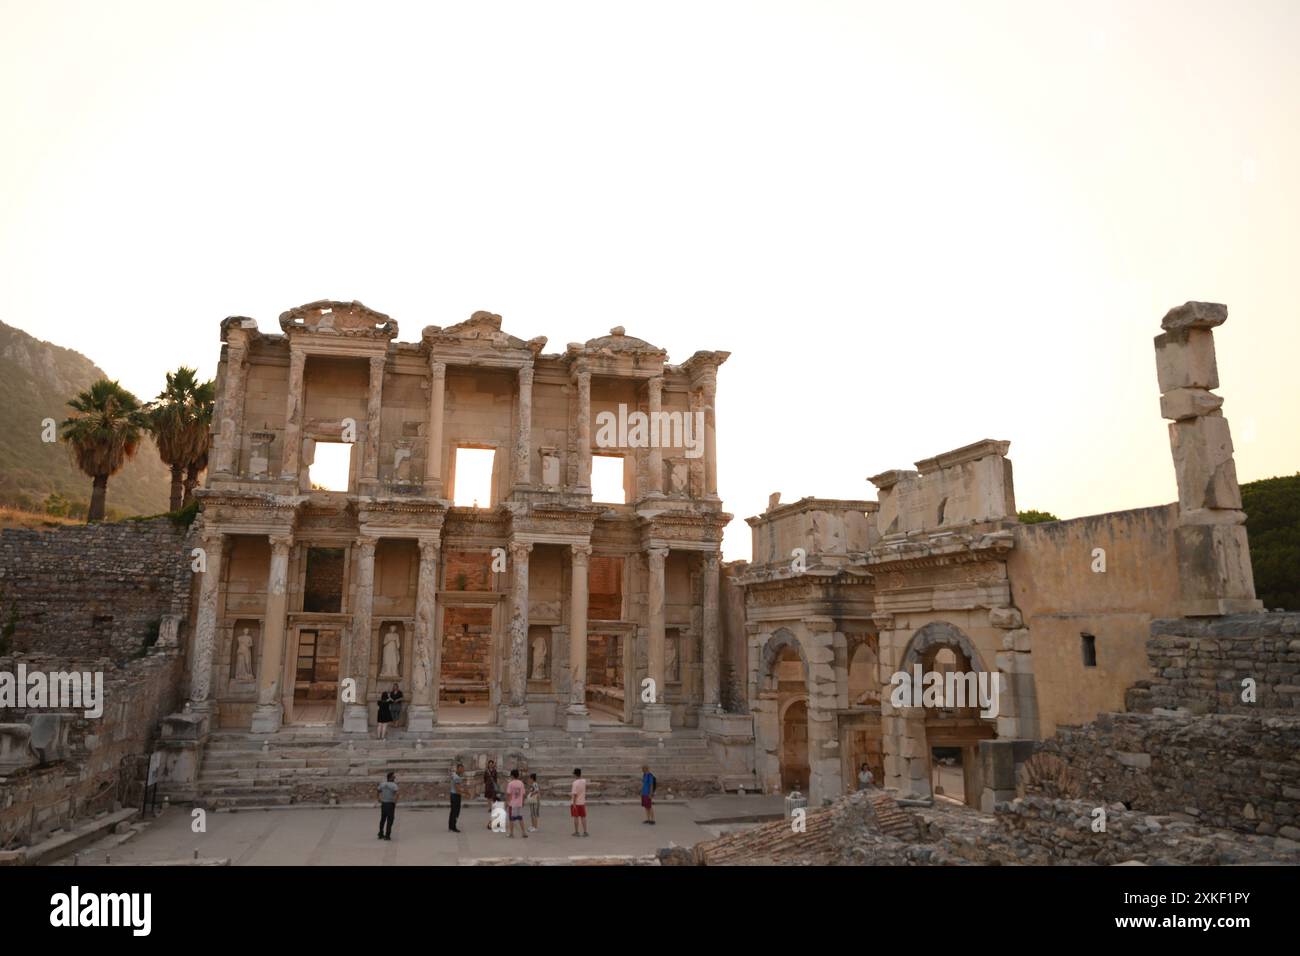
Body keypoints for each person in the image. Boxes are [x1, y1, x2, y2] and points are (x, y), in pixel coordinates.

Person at [506, 769, 528, 838]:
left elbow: (509, 794)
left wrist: (507, 802)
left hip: (512, 804)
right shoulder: (521, 783)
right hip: (519, 803)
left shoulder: (510, 783)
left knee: (511, 819)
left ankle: (511, 833)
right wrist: (523, 802)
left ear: (512, 775)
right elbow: (524, 794)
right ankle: (524, 832)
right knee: (520, 818)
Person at [377, 771, 397, 841]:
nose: (395, 777)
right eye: (394, 776)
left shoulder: (382, 784)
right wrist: (395, 801)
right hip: (390, 804)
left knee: (383, 819)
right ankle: (387, 835)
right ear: (391, 777)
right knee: (390, 820)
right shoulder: (394, 785)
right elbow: (396, 793)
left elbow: (378, 790)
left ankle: (380, 833)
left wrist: (378, 798)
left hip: (384, 803)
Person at [570, 767, 588, 838]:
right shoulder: (584, 781)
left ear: (575, 774)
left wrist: (574, 804)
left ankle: (577, 832)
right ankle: (585, 831)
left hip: (576, 803)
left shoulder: (575, 783)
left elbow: (574, 794)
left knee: (576, 817)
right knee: (583, 817)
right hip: (582, 802)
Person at [483, 760, 500, 830]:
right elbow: (484, 778)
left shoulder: (495, 771)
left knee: (493, 797)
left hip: (493, 785)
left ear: (493, 765)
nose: (490, 765)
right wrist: (486, 783)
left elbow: (496, 778)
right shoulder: (486, 771)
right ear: (488, 764)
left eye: (491, 764)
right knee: (488, 797)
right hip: (488, 785)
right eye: (490, 764)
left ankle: (493, 807)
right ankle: (490, 808)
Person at [449, 762, 464, 833]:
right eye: (461, 769)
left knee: (452, 811)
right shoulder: (457, 777)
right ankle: (453, 827)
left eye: (462, 769)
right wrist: (465, 793)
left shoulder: (454, 775)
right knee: (455, 812)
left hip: (452, 794)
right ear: (458, 769)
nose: (462, 770)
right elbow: (457, 789)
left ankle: (450, 826)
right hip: (455, 795)